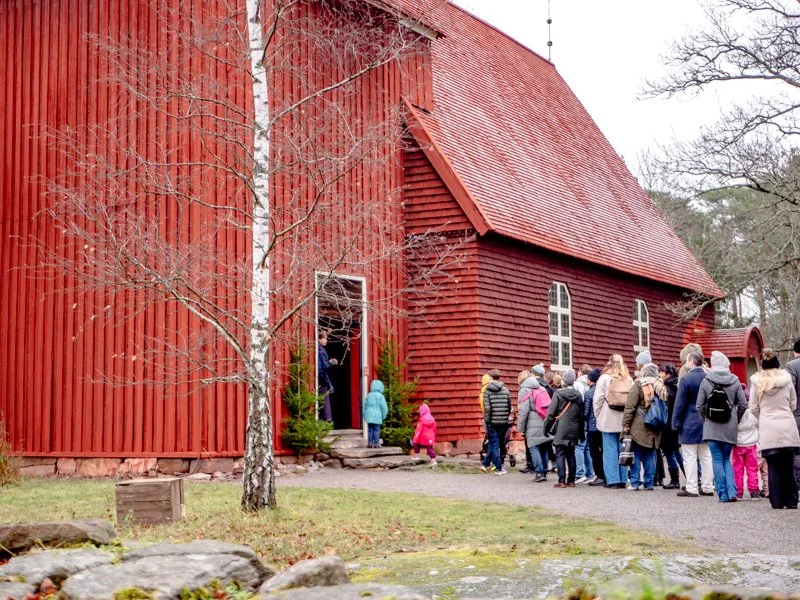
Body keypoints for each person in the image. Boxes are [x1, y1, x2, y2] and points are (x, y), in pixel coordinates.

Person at [750, 349, 800, 510]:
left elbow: (753, 407)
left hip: (768, 426)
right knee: (788, 465)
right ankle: (791, 500)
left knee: (773, 466)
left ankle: (777, 501)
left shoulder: (757, 383)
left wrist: (763, 416)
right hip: (787, 425)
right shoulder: (787, 380)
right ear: (778, 365)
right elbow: (793, 403)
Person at [696, 351, 748, 503]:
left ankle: (723, 494)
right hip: (729, 426)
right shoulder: (735, 380)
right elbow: (743, 404)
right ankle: (732, 492)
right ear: (726, 365)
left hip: (711, 427)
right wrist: (735, 419)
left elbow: (699, 405)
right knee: (726, 459)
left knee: (717, 460)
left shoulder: (706, 381)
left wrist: (706, 419)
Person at [673, 351, 714, 498]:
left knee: (689, 456)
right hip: (706, 420)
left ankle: (692, 487)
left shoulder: (686, 379)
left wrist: (675, 421)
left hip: (689, 421)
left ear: (691, 362)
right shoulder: (709, 378)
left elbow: (680, 403)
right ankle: (708, 486)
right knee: (706, 455)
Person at [622, 362, 664, 491]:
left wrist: (625, 425)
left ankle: (635, 483)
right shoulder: (660, 386)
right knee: (650, 454)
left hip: (639, 425)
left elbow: (630, 406)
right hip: (655, 424)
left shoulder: (639, 385)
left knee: (636, 454)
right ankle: (649, 483)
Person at [593, 354, 633, 489]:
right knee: (623, 449)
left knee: (609, 450)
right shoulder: (628, 378)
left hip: (607, 417)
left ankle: (612, 480)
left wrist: (597, 414)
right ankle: (623, 479)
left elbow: (597, 399)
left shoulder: (604, 378)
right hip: (623, 418)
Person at [543, 369, 584, 488]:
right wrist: (581, 432)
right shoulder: (578, 395)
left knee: (560, 453)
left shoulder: (558, 394)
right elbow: (581, 415)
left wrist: (546, 428)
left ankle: (561, 480)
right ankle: (571, 480)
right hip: (574, 427)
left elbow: (551, 413)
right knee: (571, 453)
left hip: (561, 427)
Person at [517, 371, 551, 480]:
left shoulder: (524, 390)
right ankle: (544, 471)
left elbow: (523, 412)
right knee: (543, 446)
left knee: (533, 447)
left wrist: (520, 428)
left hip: (532, 424)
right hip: (544, 420)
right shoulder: (542, 388)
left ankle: (539, 472)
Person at [481, 369, 511, 475]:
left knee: (493, 444)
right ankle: (485, 464)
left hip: (492, 422)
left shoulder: (487, 391)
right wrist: (506, 417)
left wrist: (487, 421)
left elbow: (487, 408)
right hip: (503, 422)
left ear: (490, 377)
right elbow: (509, 405)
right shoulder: (505, 390)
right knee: (497, 442)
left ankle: (498, 467)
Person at [658, 364, 683, 489]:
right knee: (677, 452)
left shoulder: (666, 389)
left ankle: (675, 479)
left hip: (667, 425)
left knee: (670, 453)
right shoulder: (678, 386)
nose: (660, 375)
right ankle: (693, 477)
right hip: (676, 424)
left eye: (662, 372)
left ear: (668, 375)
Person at [733, 401, 760, 500]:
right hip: (751, 444)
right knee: (752, 468)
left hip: (738, 444)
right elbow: (758, 425)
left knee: (737, 469)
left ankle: (738, 492)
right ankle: (754, 491)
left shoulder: (735, 412)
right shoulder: (753, 413)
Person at [584, 368, 605, 486]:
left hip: (593, 426)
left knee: (595, 452)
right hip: (604, 425)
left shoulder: (589, 393)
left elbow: (586, 412)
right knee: (605, 450)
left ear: (590, 380)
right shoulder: (604, 390)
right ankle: (607, 474)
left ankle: (600, 475)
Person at [574, 365, 594, 484]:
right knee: (586, 448)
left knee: (579, 446)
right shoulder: (590, 385)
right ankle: (590, 473)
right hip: (589, 419)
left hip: (579, 419)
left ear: (580, 372)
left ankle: (579, 473)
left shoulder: (577, 384)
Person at [317, 332, 338, 422]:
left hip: (319, 377)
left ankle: (324, 419)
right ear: (319, 339)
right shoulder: (321, 350)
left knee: (322, 398)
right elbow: (324, 366)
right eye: (325, 338)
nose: (326, 340)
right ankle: (327, 419)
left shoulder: (318, 349)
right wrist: (331, 362)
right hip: (322, 377)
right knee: (325, 398)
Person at [787, 337, 800, 484]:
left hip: (797, 415)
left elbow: (789, 390)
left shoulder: (792, 366)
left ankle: (798, 483)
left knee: (797, 451)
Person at [363, 379, 388, 449]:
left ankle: (370, 443)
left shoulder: (368, 395)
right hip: (377, 415)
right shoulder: (380, 396)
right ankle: (376, 443)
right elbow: (384, 407)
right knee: (376, 429)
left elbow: (364, 406)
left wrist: (364, 415)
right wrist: (384, 415)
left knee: (370, 429)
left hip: (369, 415)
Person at [411, 404, 438, 468]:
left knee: (415, 443)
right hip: (431, 436)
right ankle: (433, 460)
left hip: (423, 436)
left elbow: (419, 429)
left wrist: (416, 437)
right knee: (430, 448)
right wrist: (434, 435)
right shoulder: (432, 418)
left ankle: (416, 455)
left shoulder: (422, 419)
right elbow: (435, 429)